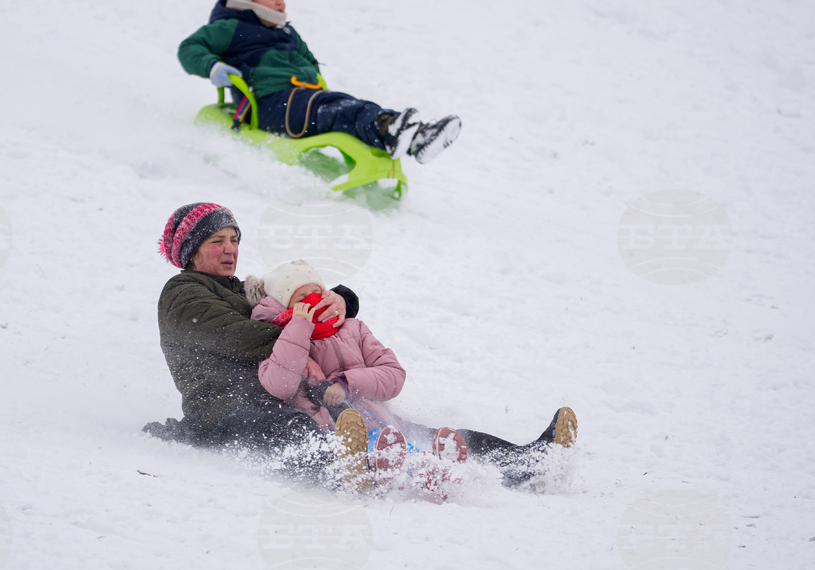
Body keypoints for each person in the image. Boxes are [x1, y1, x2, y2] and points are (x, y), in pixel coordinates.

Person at [245, 259, 579, 488]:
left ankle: (531, 462)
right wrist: (299, 325)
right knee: (393, 447)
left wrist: (348, 381)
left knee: (450, 438)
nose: (314, 302)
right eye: (302, 299)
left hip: (383, 420)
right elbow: (279, 383)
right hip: (330, 429)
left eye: (317, 292)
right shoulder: (280, 337)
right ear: (287, 306)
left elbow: (393, 376)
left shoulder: (353, 328)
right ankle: (409, 475)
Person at [148, 202, 363, 483]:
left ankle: (410, 450)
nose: (230, 249)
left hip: (276, 392)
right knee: (292, 427)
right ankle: (340, 473)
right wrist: (293, 347)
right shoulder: (182, 293)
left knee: (351, 406)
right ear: (193, 250)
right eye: (217, 241)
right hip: (224, 409)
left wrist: (340, 299)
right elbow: (237, 334)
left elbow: (290, 306)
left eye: (234, 240)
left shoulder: (238, 290)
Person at [178, 0, 461, 165]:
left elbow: (309, 58)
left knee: (344, 104)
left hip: (302, 97)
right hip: (269, 105)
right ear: (247, 0)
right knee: (337, 110)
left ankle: (414, 138)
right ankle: (392, 129)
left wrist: (310, 76)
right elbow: (189, 48)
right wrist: (213, 66)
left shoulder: (285, 31)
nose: (281, 3)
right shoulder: (230, 27)